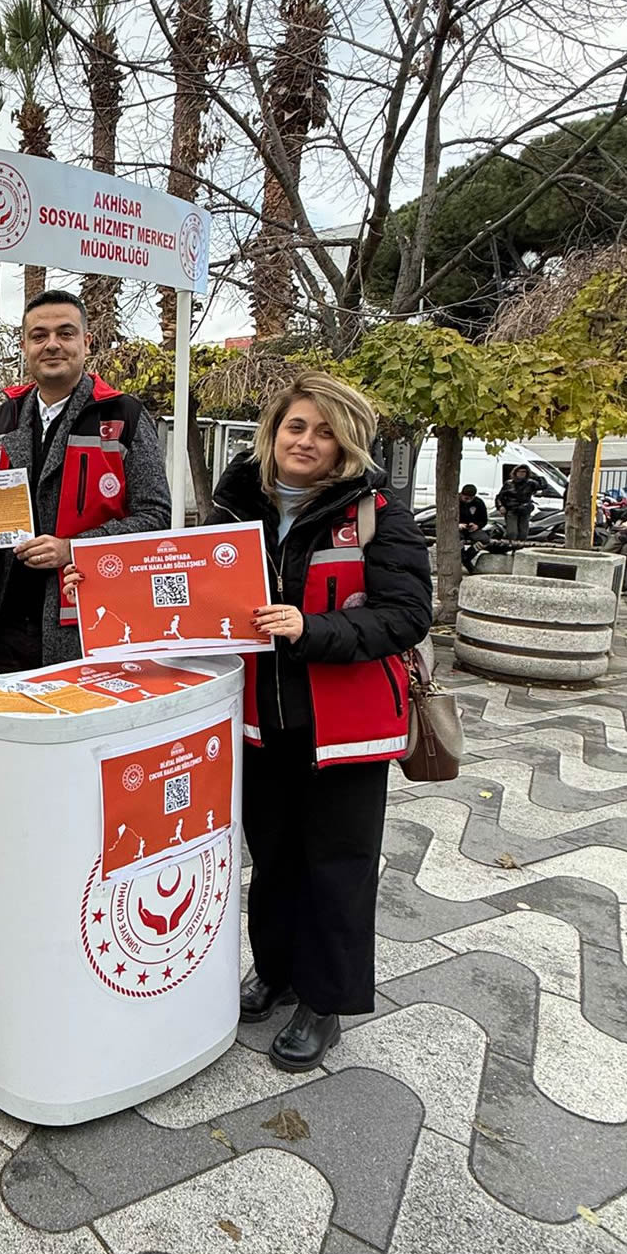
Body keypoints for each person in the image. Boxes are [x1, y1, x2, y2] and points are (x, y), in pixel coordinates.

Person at [208, 372, 430, 1070]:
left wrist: (312, 627)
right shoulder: (231, 506)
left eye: (325, 430)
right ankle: (273, 971)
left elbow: (406, 615)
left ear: (347, 443)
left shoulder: (378, 511)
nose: (307, 440)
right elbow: (181, 590)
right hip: (260, 723)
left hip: (347, 727)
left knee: (337, 867)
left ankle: (324, 1002)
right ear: (272, 431)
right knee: (272, 861)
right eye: (295, 425)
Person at [0, 288, 170, 915]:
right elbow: (2, 513)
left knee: (75, 761)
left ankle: (68, 879)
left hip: (81, 625)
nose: (51, 344)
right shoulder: (4, 415)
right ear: (23, 345)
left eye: (65, 333)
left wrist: (75, 549)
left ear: (87, 343)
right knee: (2, 762)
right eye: (38, 334)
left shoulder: (122, 415)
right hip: (2, 620)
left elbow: (156, 517)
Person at [496, 463, 547, 540]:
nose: (521, 474)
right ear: (515, 472)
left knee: (523, 533)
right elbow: (499, 497)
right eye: (519, 471)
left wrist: (538, 476)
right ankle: (507, 546)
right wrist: (500, 506)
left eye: (524, 472)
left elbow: (543, 486)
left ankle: (517, 549)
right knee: (512, 533)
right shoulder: (509, 484)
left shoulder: (531, 483)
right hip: (512, 510)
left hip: (524, 510)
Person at [458, 483, 490, 572]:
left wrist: (477, 525)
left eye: (471, 498)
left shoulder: (478, 502)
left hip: (472, 529)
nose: (468, 500)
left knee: (484, 539)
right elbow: (447, 518)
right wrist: (457, 525)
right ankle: (464, 559)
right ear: (461, 494)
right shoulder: (454, 501)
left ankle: (466, 558)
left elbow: (484, 519)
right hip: (456, 529)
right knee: (457, 538)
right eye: (466, 498)